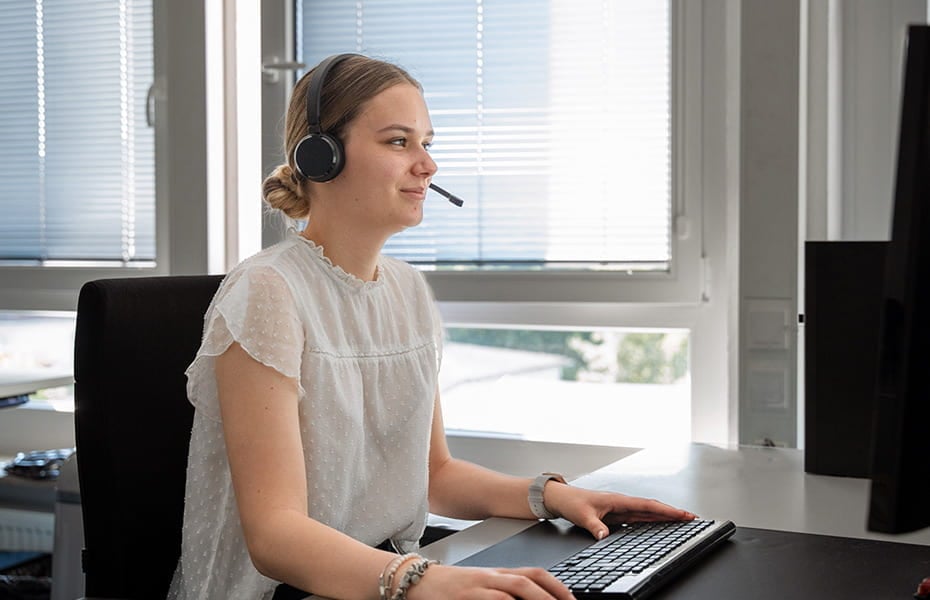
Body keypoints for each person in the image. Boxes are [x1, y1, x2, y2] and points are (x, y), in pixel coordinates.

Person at [166, 53, 696, 600]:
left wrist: (555, 496)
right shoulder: (268, 292)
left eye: (427, 143)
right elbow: (275, 536)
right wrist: (424, 580)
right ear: (321, 156)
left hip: (375, 579)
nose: (427, 165)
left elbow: (433, 474)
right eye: (399, 142)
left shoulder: (408, 291)